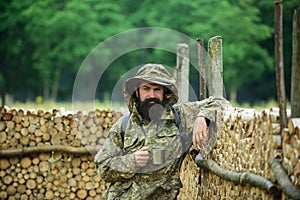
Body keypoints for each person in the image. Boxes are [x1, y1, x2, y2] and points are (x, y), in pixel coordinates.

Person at [94, 63, 230, 199]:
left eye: (157, 89)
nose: (151, 95)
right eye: (146, 89)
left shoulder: (181, 116)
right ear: (137, 91)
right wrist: (132, 161)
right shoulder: (123, 126)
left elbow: (221, 102)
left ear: (165, 93)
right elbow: (102, 167)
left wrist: (202, 117)